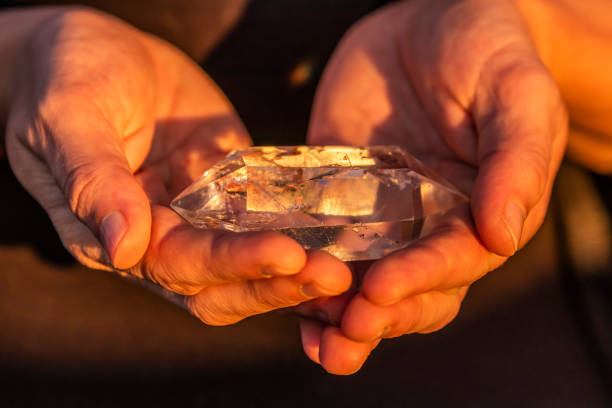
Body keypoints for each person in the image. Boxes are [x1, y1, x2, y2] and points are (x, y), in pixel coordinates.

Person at [0, 0, 609, 376]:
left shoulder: (419, 189)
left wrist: (533, 32)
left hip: (513, 351)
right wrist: (25, 57)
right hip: (55, 349)